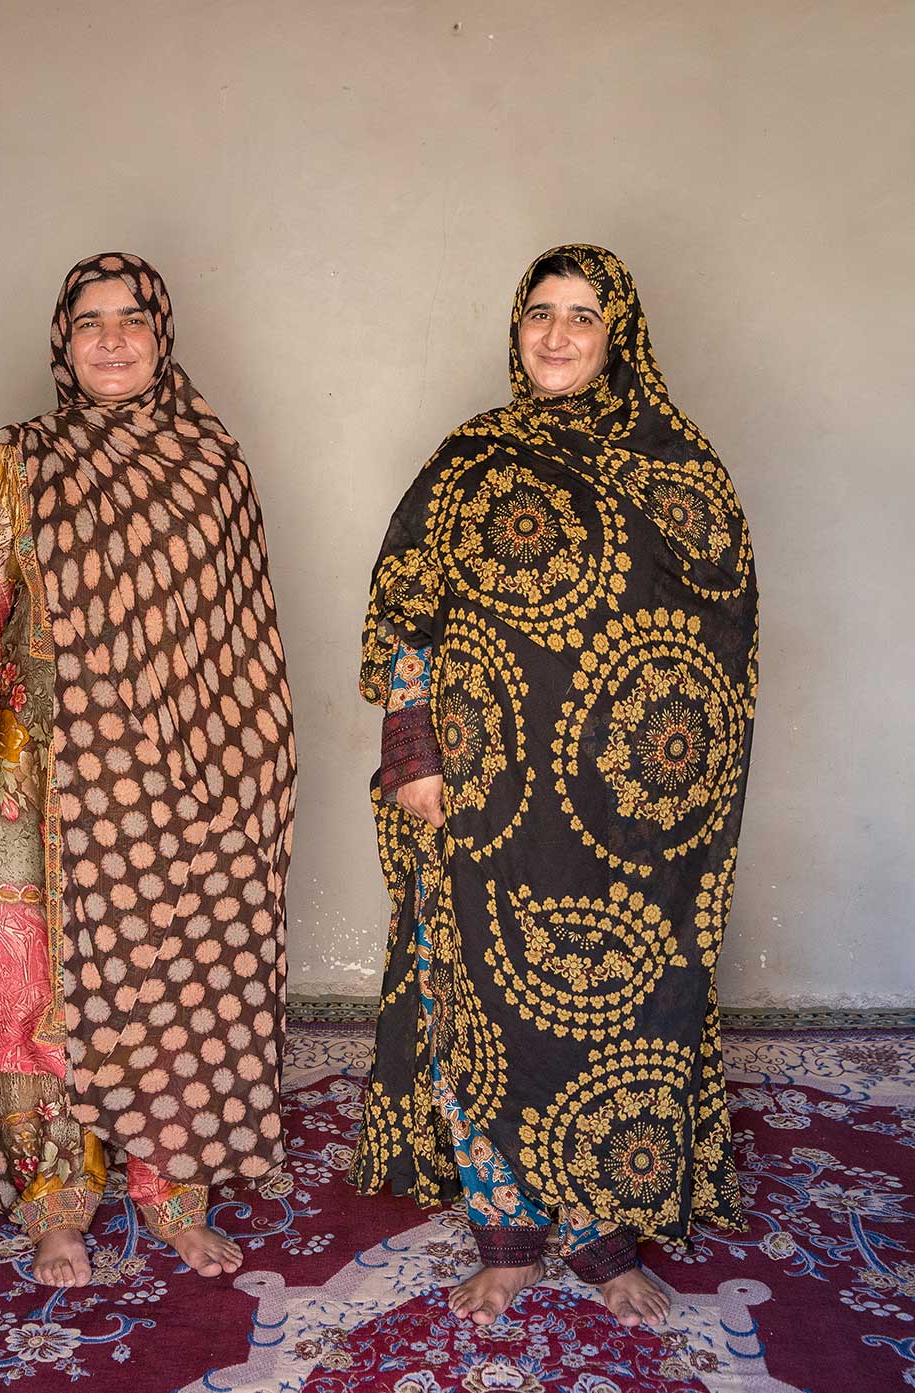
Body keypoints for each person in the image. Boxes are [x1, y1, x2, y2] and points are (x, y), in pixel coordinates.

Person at [353, 244, 757, 1328]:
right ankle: (508, 1238)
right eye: (541, 311)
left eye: (585, 314)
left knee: (622, 1009)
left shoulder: (680, 468)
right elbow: (410, 613)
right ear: (516, 326)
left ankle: (605, 1238)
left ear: (619, 331)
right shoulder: (470, 461)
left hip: (632, 816)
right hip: (485, 798)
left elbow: (723, 630)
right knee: (479, 999)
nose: (559, 334)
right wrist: (413, 753)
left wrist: (678, 774)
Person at [0, 252, 296, 1289]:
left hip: (182, 776)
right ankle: (56, 1207)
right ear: (62, 343)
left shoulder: (215, 463)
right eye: (90, 323)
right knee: (35, 992)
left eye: (131, 320)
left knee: (176, 981)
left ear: (162, 337)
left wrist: (250, 777)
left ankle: (173, 1196)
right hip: (42, 774)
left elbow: (245, 639)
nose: (112, 340)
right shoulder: (17, 460)